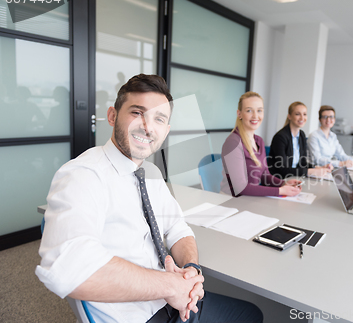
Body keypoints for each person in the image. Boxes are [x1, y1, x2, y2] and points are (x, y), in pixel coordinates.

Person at [36, 74, 263, 323]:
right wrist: (170, 287)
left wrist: (191, 271)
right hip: (137, 316)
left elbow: (178, 229)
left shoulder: (151, 173)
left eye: (159, 119)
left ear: (165, 131)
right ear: (112, 116)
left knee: (251, 314)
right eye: (137, 112)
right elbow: (68, 269)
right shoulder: (84, 175)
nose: (147, 126)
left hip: (174, 300)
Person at [220, 92, 302, 197]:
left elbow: (264, 175)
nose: (255, 116)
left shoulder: (259, 141)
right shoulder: (233, 142)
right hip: (233, 201)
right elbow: (240, 188)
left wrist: (283, 183)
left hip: (250, 199)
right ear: (239, 113)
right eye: (249, 110)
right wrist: (280, 191)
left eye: (259, 110)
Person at [268, 101, 332, 178]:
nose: (302, 118)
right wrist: (311, 171)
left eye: (304, 114)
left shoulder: (301, 135)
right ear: (289, 116)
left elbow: (302, 163)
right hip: (279, 180)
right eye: (297, 114)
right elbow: (283, 170)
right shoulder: (280, 137)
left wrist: (318, 168)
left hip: (294, 177)